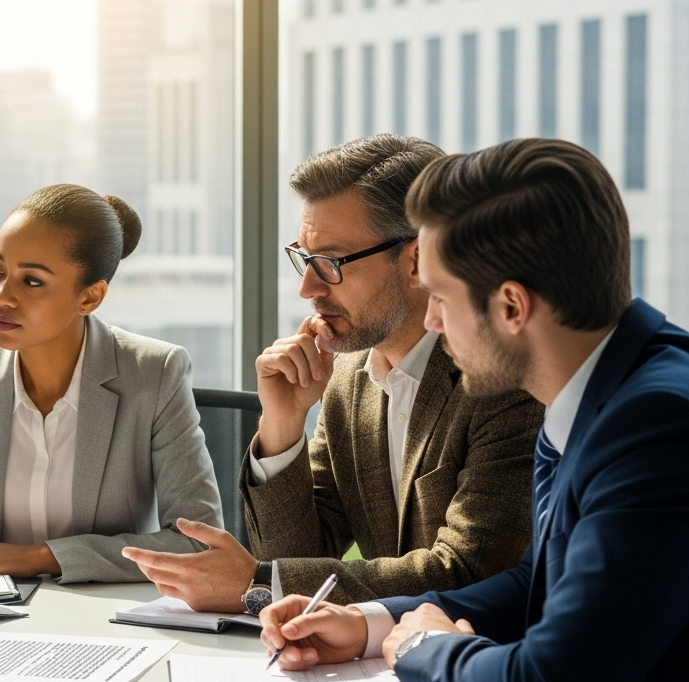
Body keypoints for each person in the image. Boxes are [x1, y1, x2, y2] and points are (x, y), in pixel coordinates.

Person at [259, 138, 689, 682]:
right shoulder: (592, 390)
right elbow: (537, 584)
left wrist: (421, 651)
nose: (430, 323)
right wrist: (372, 625)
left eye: (440, 297)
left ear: (511, 306)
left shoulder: (656, 425)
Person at [125, 135, 542, 611]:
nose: (307, 287)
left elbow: (471, 572)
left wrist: (259, 581)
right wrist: (282, 426)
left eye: (329, 262)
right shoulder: (348, 375)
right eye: (304, 258)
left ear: (417, 261)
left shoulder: (503, 381)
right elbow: (303, 555)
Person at [0, 184, 224, 584]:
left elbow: (196, 544)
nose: (1, 297)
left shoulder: (154, 374)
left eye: (31, 281)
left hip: (105, 619)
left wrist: (41, 557)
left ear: (89, 298)